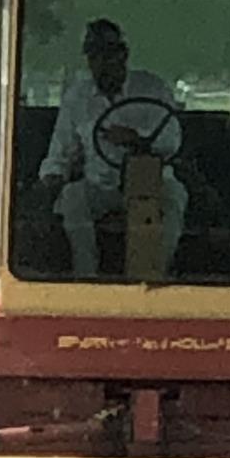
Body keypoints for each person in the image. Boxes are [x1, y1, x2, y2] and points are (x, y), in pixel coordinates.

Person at [37, 20, 188, 278]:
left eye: (108, 55)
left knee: (174, 199)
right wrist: (53, 176)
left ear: (123, 55)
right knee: (72, 199)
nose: (101, 64)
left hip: (151, 183)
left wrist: (136, 140)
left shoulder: (153, 89)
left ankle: (153, 281)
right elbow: (61, 149)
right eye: (94, 56)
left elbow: (171, 141)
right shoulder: (77, 98)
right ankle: (86, 279)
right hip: (99, 185)